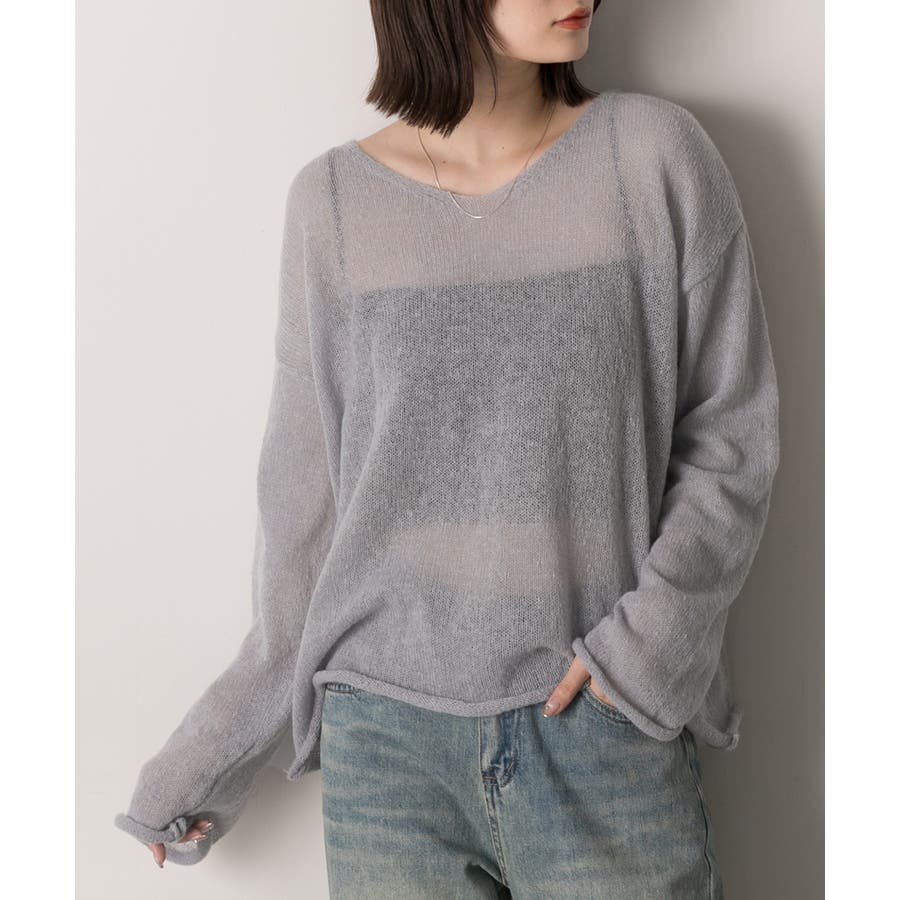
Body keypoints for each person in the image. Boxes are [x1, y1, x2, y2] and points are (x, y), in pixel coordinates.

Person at [114, 1, 780, 896]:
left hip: (601, 726)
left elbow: (732, 436)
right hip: (387, 754)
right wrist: (210, 755)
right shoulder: (332, 206)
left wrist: (646, 655)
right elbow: (306, 517)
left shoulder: (653, 156)